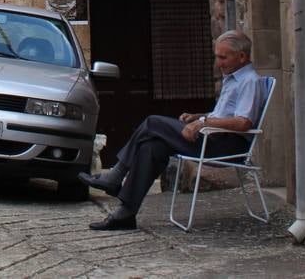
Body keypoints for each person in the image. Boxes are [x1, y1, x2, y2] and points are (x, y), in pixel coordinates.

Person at [78, 29, 264, 230]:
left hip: (226, 146)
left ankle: (115, 175)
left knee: (153, 123)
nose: (218, 63)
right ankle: (126, 213)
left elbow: (243, 122)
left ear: (242, 56)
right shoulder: (233, 77)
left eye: (223, 57)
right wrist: (198, 116)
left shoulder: (249, 81)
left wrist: (203, 123)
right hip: (213, 138)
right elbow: (225, 114)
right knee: (153, 146)